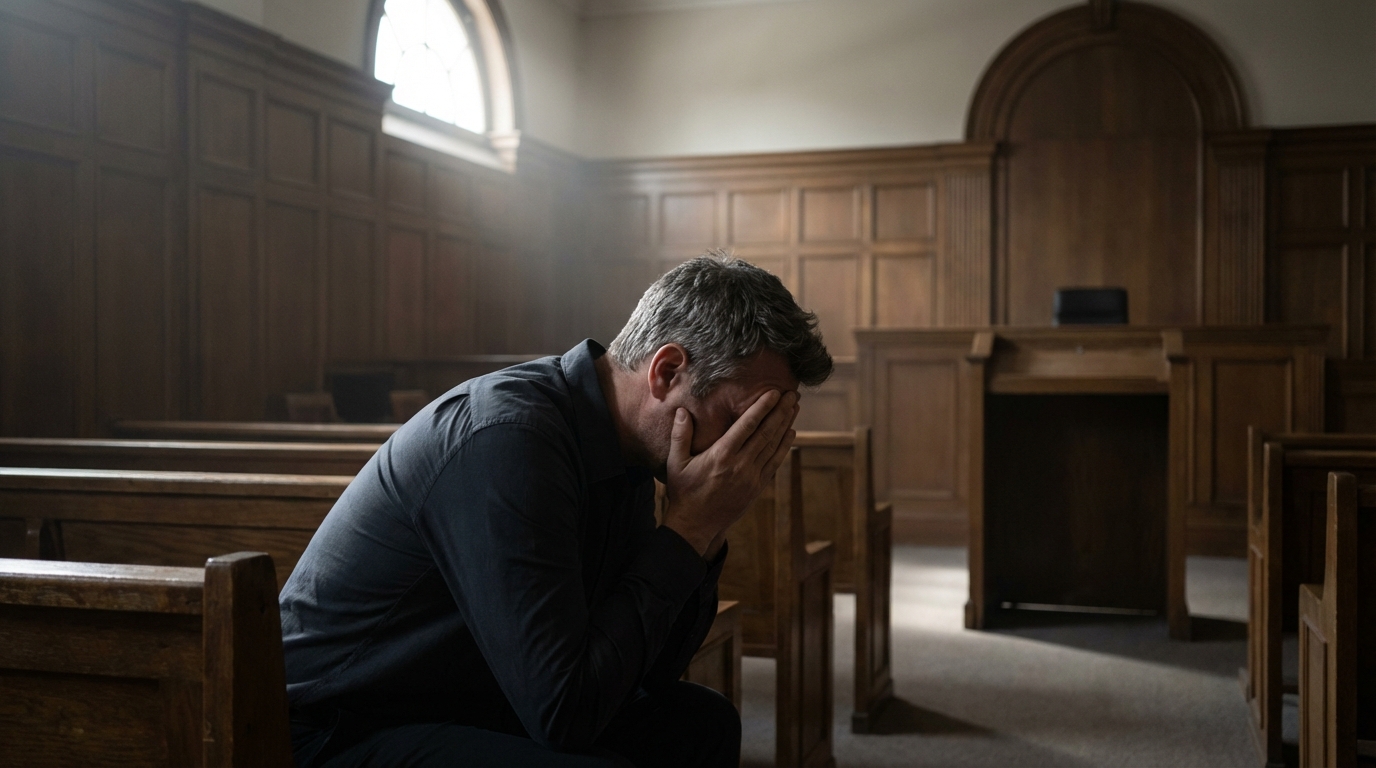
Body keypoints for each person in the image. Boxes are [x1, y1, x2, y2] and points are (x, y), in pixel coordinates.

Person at [279, 252, 833, 767]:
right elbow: (565, 714)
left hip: (467, 695)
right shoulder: (510, 438)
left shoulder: (629, 447)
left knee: (702, 724)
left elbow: (647, 672)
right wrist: (690, 528)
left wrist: (703, 532)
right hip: (336, 726)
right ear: (666, 373)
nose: (746, 450)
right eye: (742, 420)